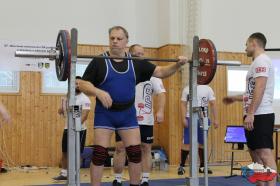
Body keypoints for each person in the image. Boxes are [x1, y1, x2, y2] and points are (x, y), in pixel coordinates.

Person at [78, 26, 187, 186]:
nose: (115, 41)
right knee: (99, 154)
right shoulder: (99, 61)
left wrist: (178, 65)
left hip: (127, 114)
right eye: (112, 38)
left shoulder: (135, 63)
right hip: (105, 114)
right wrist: (98, 92)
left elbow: (161, 72)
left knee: (135, 154)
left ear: (126, 42)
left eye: (119, 38)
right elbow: (82, 84)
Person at [223, 33, 276, 186]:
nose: (245, 47)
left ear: (254, 43)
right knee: (255, 154)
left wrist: (251, 113)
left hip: (261, 114)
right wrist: (234, 98)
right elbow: (251, 92)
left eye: (246, 44)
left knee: (264, 153)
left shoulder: (262, 60)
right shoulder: (256, 63)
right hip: (253, 114)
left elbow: (260, 87)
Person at [112, 44, 166, 186]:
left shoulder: (152, 74)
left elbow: (161, 94)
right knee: (120, 147)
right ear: (129, 55)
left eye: (142, 54)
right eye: (136, 54)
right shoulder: (123, 71)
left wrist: (160, 111)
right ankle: (117, 179)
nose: (139, 57)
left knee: (145, 148)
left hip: (145, 119)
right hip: (124, 117)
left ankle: (145, 179)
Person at [53, 76, 91, 181]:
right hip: (67, 129)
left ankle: (75, 174)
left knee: (76, 152)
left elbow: (84, 116)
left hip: (79, 130)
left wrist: (75, 128)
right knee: (65, 151)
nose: (77, 85)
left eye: (79, 83)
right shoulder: (68, 96)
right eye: (75, 83)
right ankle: (64, 174)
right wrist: (62, 107)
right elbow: (61, 112)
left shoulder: (85, 99)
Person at [177, 85, 218, 175]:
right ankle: (182, 166)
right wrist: (183, 118)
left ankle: (202, 166)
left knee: (202, 142)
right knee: (186, 142)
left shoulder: (208, 88)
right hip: (189, 117)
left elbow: (213, 103)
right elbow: (183, 104)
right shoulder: (187, 88)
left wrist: (216, 119)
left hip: (203, 118)